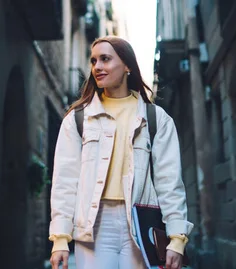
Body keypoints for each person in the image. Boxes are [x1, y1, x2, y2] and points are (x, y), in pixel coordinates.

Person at [48, 36, 193, 269]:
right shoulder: (77, 119)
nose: (97, 67)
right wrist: (61, 238)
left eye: (105, 59)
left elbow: (170, 182)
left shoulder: (156, 119)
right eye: (94, 61)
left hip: (140, 222)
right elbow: (64, 182)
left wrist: (176, 239)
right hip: (94, 225)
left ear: (127, 66)